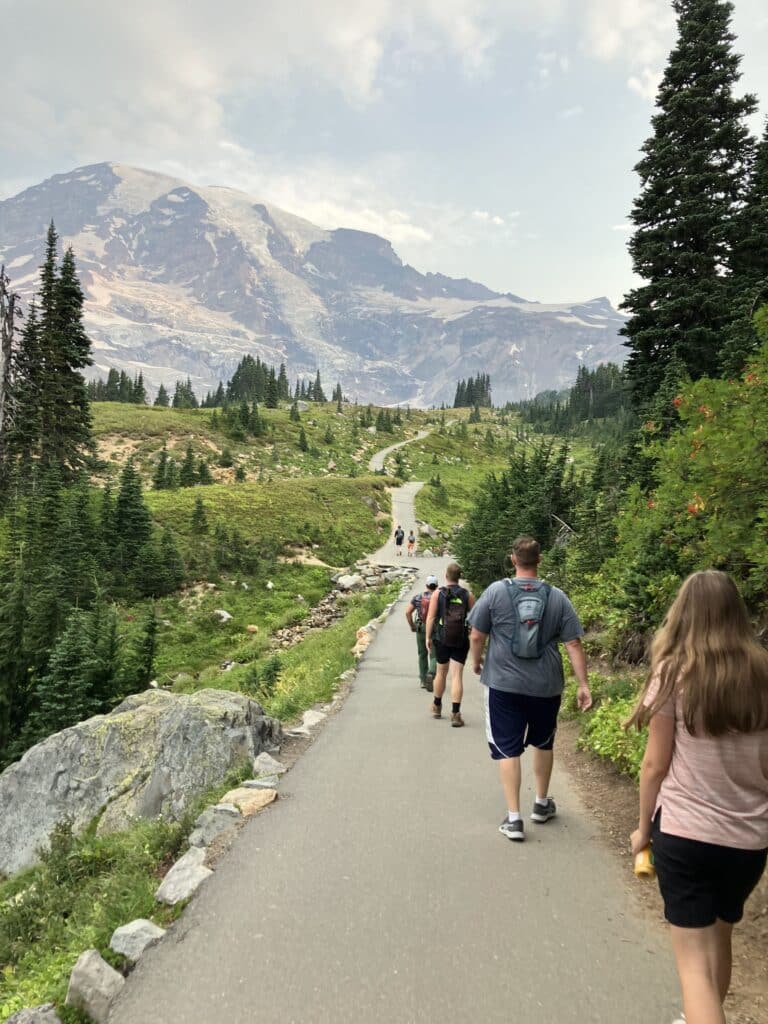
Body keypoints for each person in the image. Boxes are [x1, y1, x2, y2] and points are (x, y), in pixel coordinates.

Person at [626, 571, 768, 1024]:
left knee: (692, 966)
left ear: (683, 613)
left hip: (686, 833)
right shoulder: (763, 673)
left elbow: (654, 765)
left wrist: (643, 828)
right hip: (748, 840)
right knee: (719, 938)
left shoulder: (674, 672)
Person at [467, 535, 592, 841]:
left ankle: (513, 819)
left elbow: (476, 634)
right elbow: (573, 643)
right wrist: (583, 684)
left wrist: (476, 661)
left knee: (507, 747)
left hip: (503, 684)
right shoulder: (557, 597)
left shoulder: (496, 591)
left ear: (513, 559)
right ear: (540, 560)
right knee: (544, 742)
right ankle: (541, 803)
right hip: (545, 685)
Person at [426, 563, 475, 727]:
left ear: (446, 576)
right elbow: (474, 619)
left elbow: (431, 618)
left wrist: (428, 637)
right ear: (459, 577)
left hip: (442, 638)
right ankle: (455, 714)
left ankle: (437, 706)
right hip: (460, 639)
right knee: (457, 676)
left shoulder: (438, 594)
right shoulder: (467, 595)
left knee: (441, 673)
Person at [405, 575, 439, 690]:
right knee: (434, 654)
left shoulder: (418, 597)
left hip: (421, 627)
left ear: (426, 585)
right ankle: (431, 673)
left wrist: (412, 626)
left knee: (422, 654)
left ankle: (423, 681)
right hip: (435, 628)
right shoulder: (440, 597)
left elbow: (408, 612)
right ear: (437, 586)